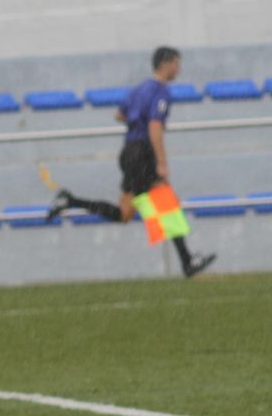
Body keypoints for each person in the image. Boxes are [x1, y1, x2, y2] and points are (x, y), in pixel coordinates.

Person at [47, 46, 216, 279]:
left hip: (128, 151)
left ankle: (70, 200)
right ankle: (188, 261)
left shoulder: (139, 89)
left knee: (125, 214)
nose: (179, 69)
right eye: (176, 63)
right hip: (143, 153)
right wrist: (162, 163)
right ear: (166, 63)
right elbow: (155, 127)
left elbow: (120, 114)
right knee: (165, 200)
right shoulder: (160, 91)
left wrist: (138, 123)